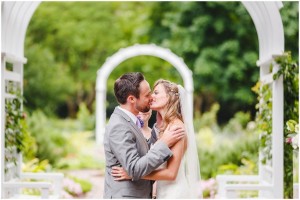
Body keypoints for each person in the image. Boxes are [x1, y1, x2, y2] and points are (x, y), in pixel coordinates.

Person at [111, 79, 202, 198]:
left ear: (169, 97)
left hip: (174, 193)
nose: (151, 97)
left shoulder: (176, 127)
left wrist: (133, 174)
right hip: (163, 192)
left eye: (156, 93)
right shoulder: (164, 127)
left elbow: (171, 174)